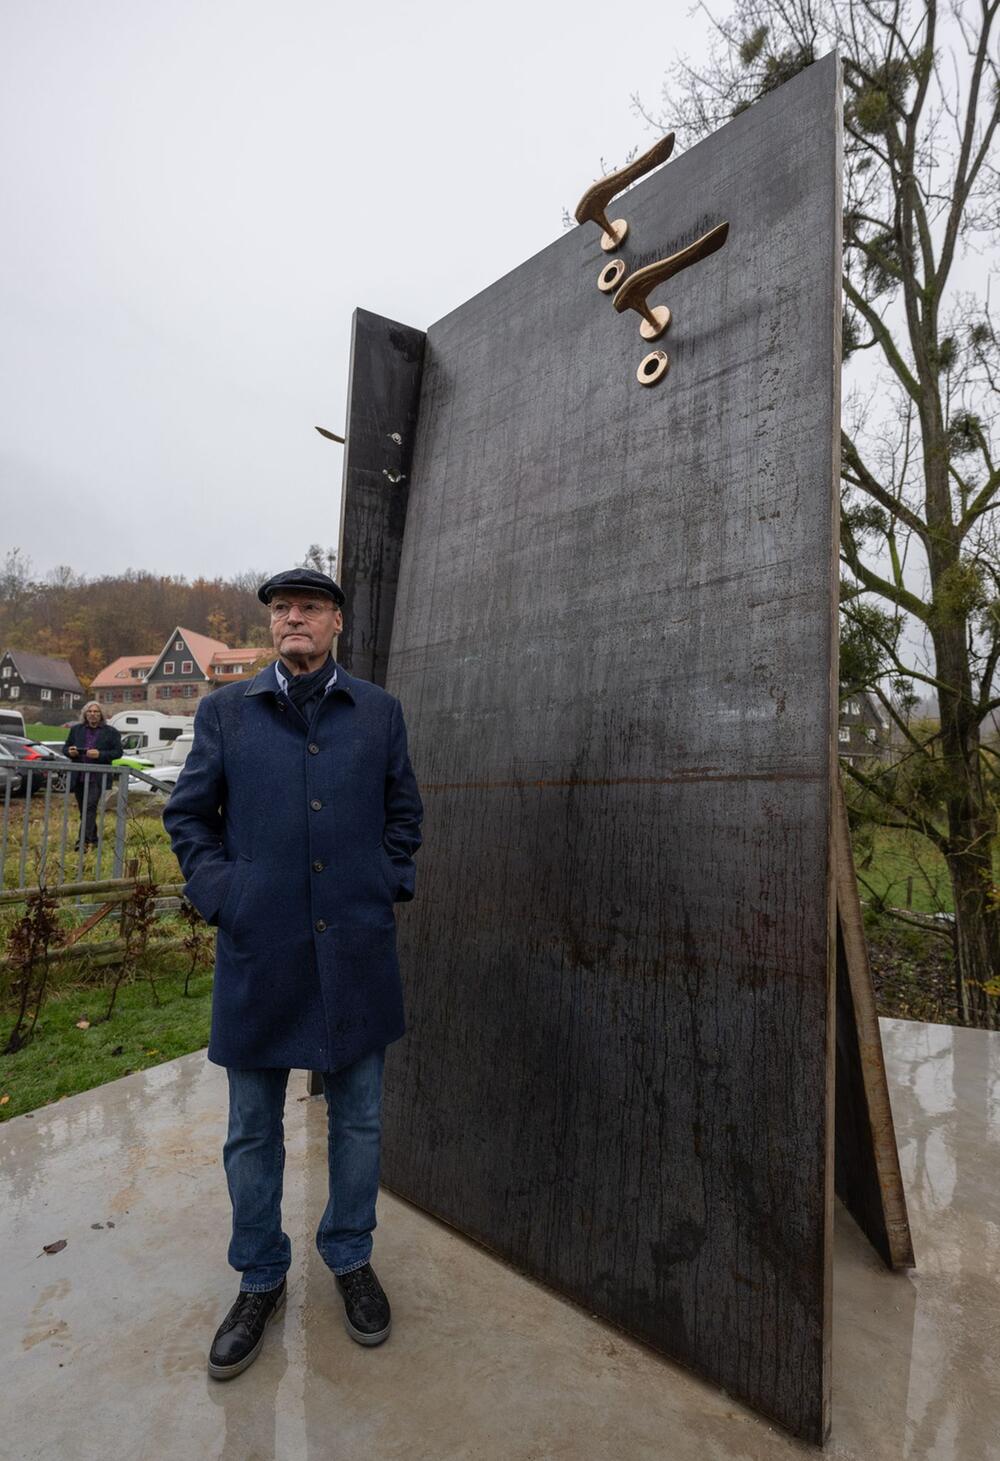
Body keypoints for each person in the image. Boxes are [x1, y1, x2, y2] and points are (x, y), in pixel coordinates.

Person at [163, 568, 423, 1381]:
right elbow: (187, 815)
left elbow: (404, 814)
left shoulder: (377, 712)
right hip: (260, 951)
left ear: (336, 621)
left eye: (307, 607)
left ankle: (349, 1256)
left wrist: (386, 883)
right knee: (251, 1126)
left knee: (358, 1121)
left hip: (354, 947)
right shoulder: (225, 712)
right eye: (280, 610)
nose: (292, 618)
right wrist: (223, 894)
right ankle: (260, 1275)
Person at [63, 701, 123, 850]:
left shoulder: (111, 732)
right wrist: (70, 752)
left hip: (97, 777)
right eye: (90, 711)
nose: (93, 714)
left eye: (96, 712)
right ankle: (94, 840)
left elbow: (118, 753)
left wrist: (100, 754)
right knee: (85, 810)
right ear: (85, 714)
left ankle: (82, 842)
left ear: (101, 714)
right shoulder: (76, 730)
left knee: (90, 807)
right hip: (79, 776)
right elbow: (65, 747)